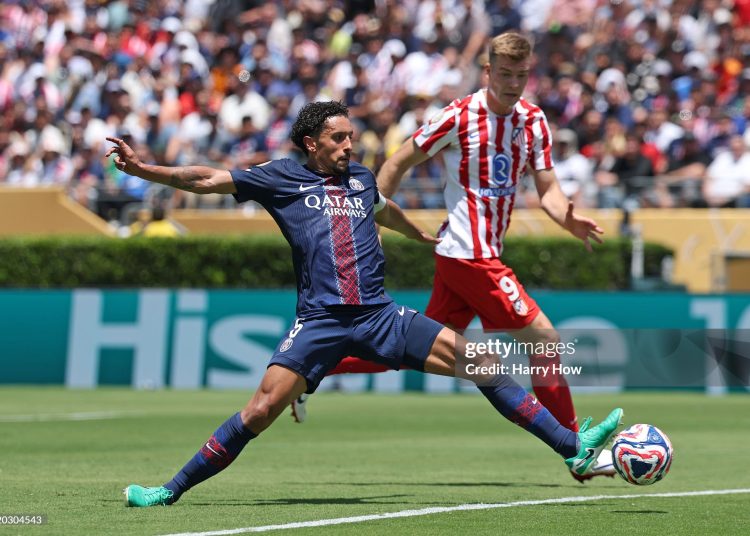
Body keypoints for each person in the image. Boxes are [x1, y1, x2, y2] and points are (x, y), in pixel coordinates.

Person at [105, 101, 622, 507]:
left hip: (380, 315)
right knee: (261, 409)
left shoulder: (361, 178)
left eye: (351, 135)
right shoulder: (281, 177)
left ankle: (573, 447)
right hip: (320, 322)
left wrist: (418, 234)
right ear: (311, 143)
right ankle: (169, 490)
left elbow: (383, 208)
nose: (350, 144)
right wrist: (144, 169)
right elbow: (204, 179)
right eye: (338, 137)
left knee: (483, 361)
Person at [294, 33, 613, 483]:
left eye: (521, 75)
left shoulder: (534, 121)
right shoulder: (460, 115)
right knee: (544, 341)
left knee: (405, 352)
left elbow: (549, 191)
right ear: (487, 72)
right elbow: (399, 159)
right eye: (504, 74)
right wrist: (371, 217)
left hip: (468, 256)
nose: (513, 84)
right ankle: (576, 445)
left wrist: (568, 218)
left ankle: (307, 369)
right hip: (469, 253)